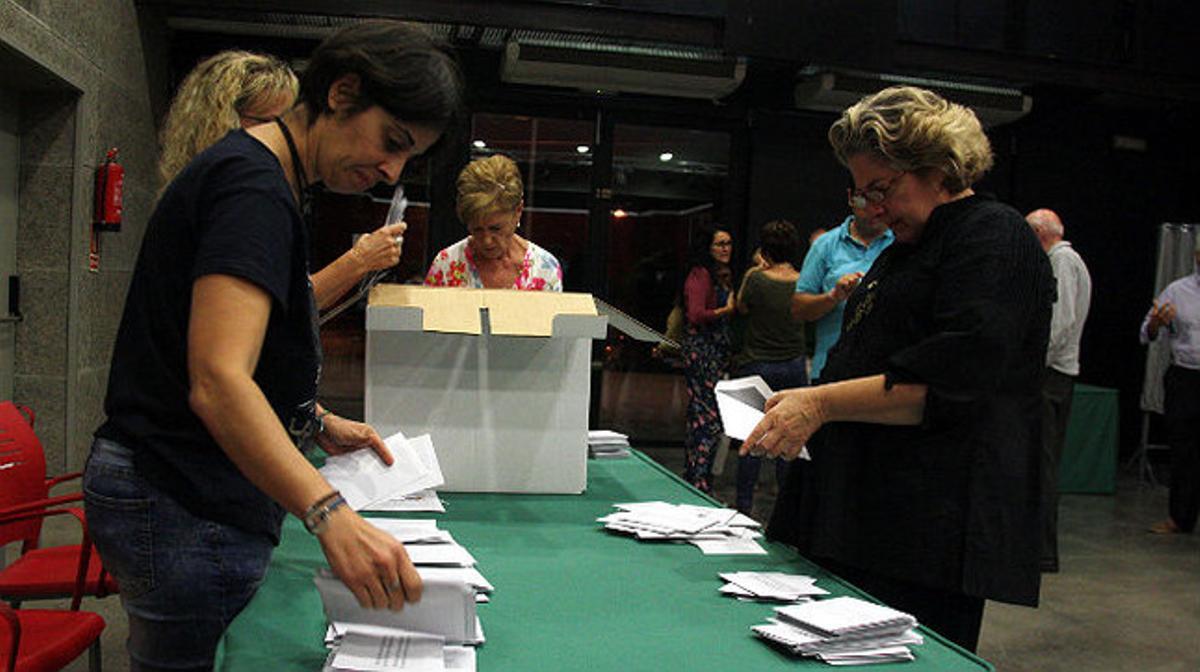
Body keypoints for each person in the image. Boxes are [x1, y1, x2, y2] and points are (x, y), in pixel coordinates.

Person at [84, 22, 463, 671]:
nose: (390, 170)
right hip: (180, 491)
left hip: (181, 484)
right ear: (342, 93)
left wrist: (310, 419)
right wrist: (329, 513)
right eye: (391, 142)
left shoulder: (267, 181)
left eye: (410, 159)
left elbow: (209, 350)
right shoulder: (252, 186)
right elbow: (218, 380)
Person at [744, 85, 1054, 652]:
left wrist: (818, 403)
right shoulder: (907, 247)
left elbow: (950, 384)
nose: (874, 209)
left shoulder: (993, 237)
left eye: (882, 190)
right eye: (862, 196)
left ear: (938, 167)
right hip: (866, 517)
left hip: (923, 532)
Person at [157, 49, 408, 310]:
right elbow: (276, 310)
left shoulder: (215, 184)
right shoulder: (242, 192)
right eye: (273, 123)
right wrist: (360, 259)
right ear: (224, 120)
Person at [1026, 208, 1092, 570]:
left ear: (1038, 235)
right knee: (1041, 462)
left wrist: (1030, 362)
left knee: (1043, 464)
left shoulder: (1063, 262)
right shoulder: (1068, 260)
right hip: (1054, 373)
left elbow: (1060, 321)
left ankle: (1042, 552)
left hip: (1050, 375)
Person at [731, 220, 808, 515]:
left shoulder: (755, 277)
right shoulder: (803, 281)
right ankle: (786, 509)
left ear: (764, 248)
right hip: (793, 365)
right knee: (788, 441)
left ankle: (744, 507)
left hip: (757, 363)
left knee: (750, 437)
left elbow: (742, 307)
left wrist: (755, 267)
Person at [424, 154, 562, 290]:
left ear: (518, 211)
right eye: (477, 229)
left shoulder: (544, 269)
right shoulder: (447, 263)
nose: (487, 241)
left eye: (495, 229)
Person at [793, 195, 894, 382]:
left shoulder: (903, 243)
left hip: (885, 376)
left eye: (881, 199)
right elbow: (799, 309)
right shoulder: (825, 245)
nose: (877, 209)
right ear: (851, 198)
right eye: (867, 200)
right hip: (832, 372)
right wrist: (833, 297)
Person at [1140, 235, 1200, 535]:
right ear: (1196, 256)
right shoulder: (1177, 290)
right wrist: (1157, 324)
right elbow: (1146, 331)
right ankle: (1180, 517)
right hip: (1186, 378)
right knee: (1184, 450)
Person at [678, 225, 736, 493]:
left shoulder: (722, 276)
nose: (726, 249)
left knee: (707, 418)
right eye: (720, 244)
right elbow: (696, 314)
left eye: (728, 244)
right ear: (708, 248)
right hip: (702, 352)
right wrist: (726, 310)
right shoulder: (701, 275)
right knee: (707, 418)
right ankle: (698, 480)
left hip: (716, 353)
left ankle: (699, 477)